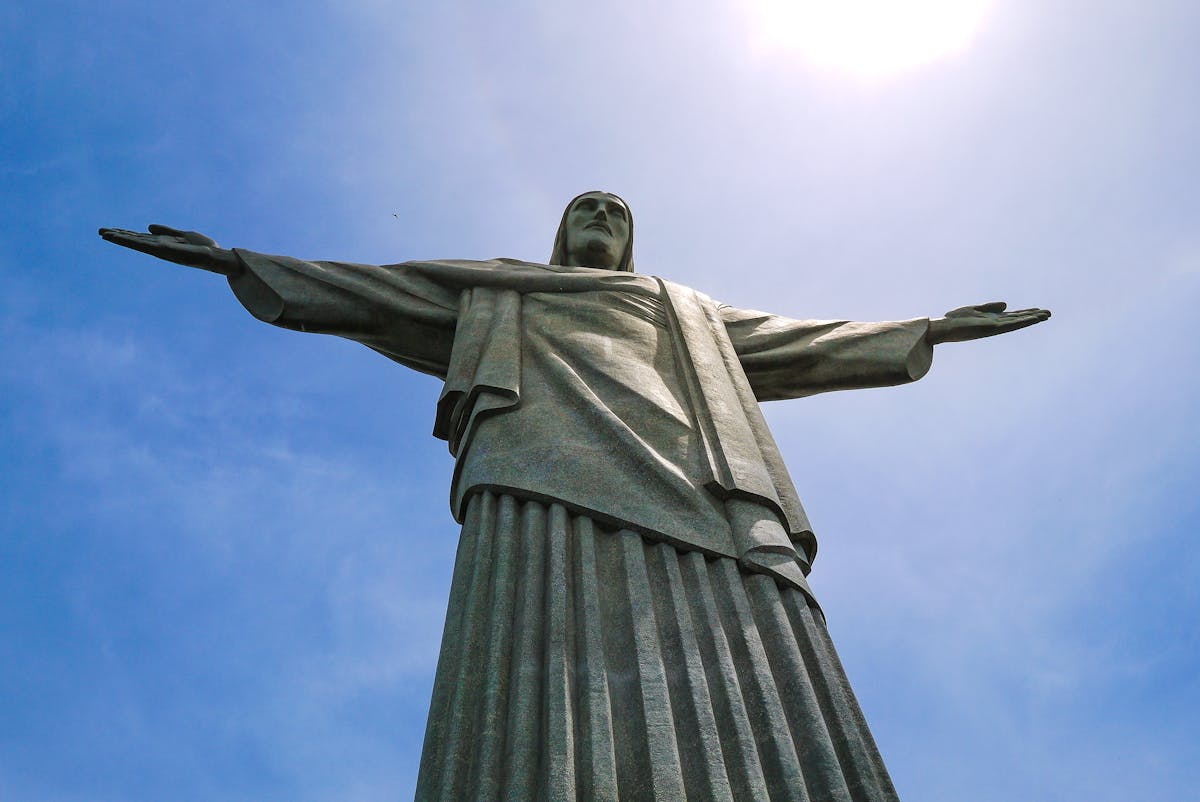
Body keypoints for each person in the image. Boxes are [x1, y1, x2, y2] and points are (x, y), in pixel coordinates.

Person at [101, 192, 1049, 802]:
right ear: (560, 232)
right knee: (535, 657)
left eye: (615, 209)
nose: (600, 214)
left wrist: (927, 328)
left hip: (703, 483)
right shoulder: (495, 290)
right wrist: (236, 260)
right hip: (534, 473)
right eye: (585, 207)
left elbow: (804, 343)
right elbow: (370, 291)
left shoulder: (682, 309)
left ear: (631, 236)